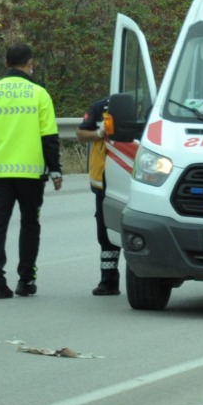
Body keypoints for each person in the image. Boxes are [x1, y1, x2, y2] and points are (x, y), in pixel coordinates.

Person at [0, 43, 62, 299]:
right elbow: (49, 137)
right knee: (30, 224)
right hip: (31, 174)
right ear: (30, 63)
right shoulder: (39, 94)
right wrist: (55, 170)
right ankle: (26, 280)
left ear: (5, 63)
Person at [76, 96, 123, 295]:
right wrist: (99, 132)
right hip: (105, 180)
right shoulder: (100, 106)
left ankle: (145, 279)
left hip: (133, 177)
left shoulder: (148, 104)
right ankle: (109, 280)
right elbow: (81, 133)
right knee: (105, 233)